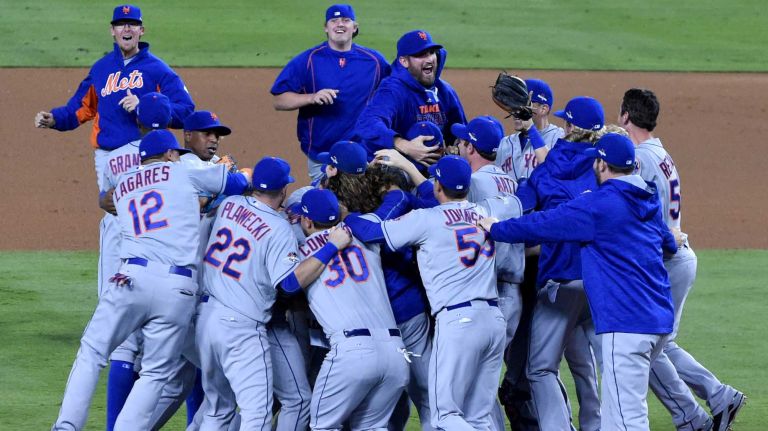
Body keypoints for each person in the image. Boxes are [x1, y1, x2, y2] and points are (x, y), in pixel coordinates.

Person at [480, 133, 680, 431]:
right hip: (658, 318)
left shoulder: (599, 205)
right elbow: (670, 245)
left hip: (625, 323)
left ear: (601, 164)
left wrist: (496, 228)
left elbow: (542, 224)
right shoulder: (648, 198)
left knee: (627, 421)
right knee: (618, 415)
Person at [51, 130, 248, 431]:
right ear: (170, 154)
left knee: (92, 352)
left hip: (130, 278)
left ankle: (66, 426)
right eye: (176, 153)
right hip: (177, 288)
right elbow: (235, 183)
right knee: (156, 374)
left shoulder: (125, 183)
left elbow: (106, 200)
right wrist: (239, 173)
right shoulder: (185, 172)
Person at [344, 156, 519, 431]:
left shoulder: (427, 219)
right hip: (494, 321)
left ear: (439, 186)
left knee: (444, 417)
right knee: (478, 417)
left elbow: (372, 232)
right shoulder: (481, 212)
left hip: (459, 323)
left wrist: (347, 216)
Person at [620, 88, 745, 431]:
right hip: (678, 256)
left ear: (626, 117)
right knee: (659, 345)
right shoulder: (659, 152)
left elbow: (630, 211)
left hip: (667, 260)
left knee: (647, 350)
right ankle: (717, 397)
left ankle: (694, 415)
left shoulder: (640, 159)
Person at [195, 158, 351, 430]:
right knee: (257, 415)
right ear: (283, 190)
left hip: (205, 319)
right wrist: (330, 248)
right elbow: (289, 284)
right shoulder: (278, 228)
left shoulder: (230, 205)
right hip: (240, 328)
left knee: (217, 411)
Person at [34, 4, 194, 192]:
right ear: (112, 31)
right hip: (108, 157)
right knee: (113, 214)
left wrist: (145, 108)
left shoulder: (159, 70)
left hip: (148, 155)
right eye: (120, 24)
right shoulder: (101, 69)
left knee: (147, 213)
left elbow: (186, 111)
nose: (126, 28)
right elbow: (79, 108)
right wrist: (55, 119)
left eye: (132, 24)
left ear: (141, 31)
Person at [297, 189, 410, 430]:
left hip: (352, 353)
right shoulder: (364, 233)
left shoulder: (303, 251)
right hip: (395, 352)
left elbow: (288, 285)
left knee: (322, 427)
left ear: (306, 221)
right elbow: (397, 199)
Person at [271, 4, 390, 181]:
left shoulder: (375, 61)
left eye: (345, 20)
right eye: (333, 21)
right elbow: (279, 100)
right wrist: (311, 97)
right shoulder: (308, 60)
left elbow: (393, 91)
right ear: (326, 28)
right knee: (326, 205)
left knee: (361, 201)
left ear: (355, 27)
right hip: (322, 152)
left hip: (363, 150)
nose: (339, 24)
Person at [355, 30, 466, 166]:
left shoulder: (445, 90)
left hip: (429, 169)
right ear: (404, 61)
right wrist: (404, 145)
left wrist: (455, 147)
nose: (429, 59)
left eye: (431, 53)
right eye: (420, 55)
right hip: (388, 171)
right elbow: (367, 122)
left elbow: (459, 130)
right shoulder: (393, 90)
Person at [496, 78, 564, 179]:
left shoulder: (559, 138)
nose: (516, 110)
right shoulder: (505, 144)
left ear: (543, 109)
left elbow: (555, 171)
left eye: (524, 105)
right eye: (514, 104)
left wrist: (531, 129)